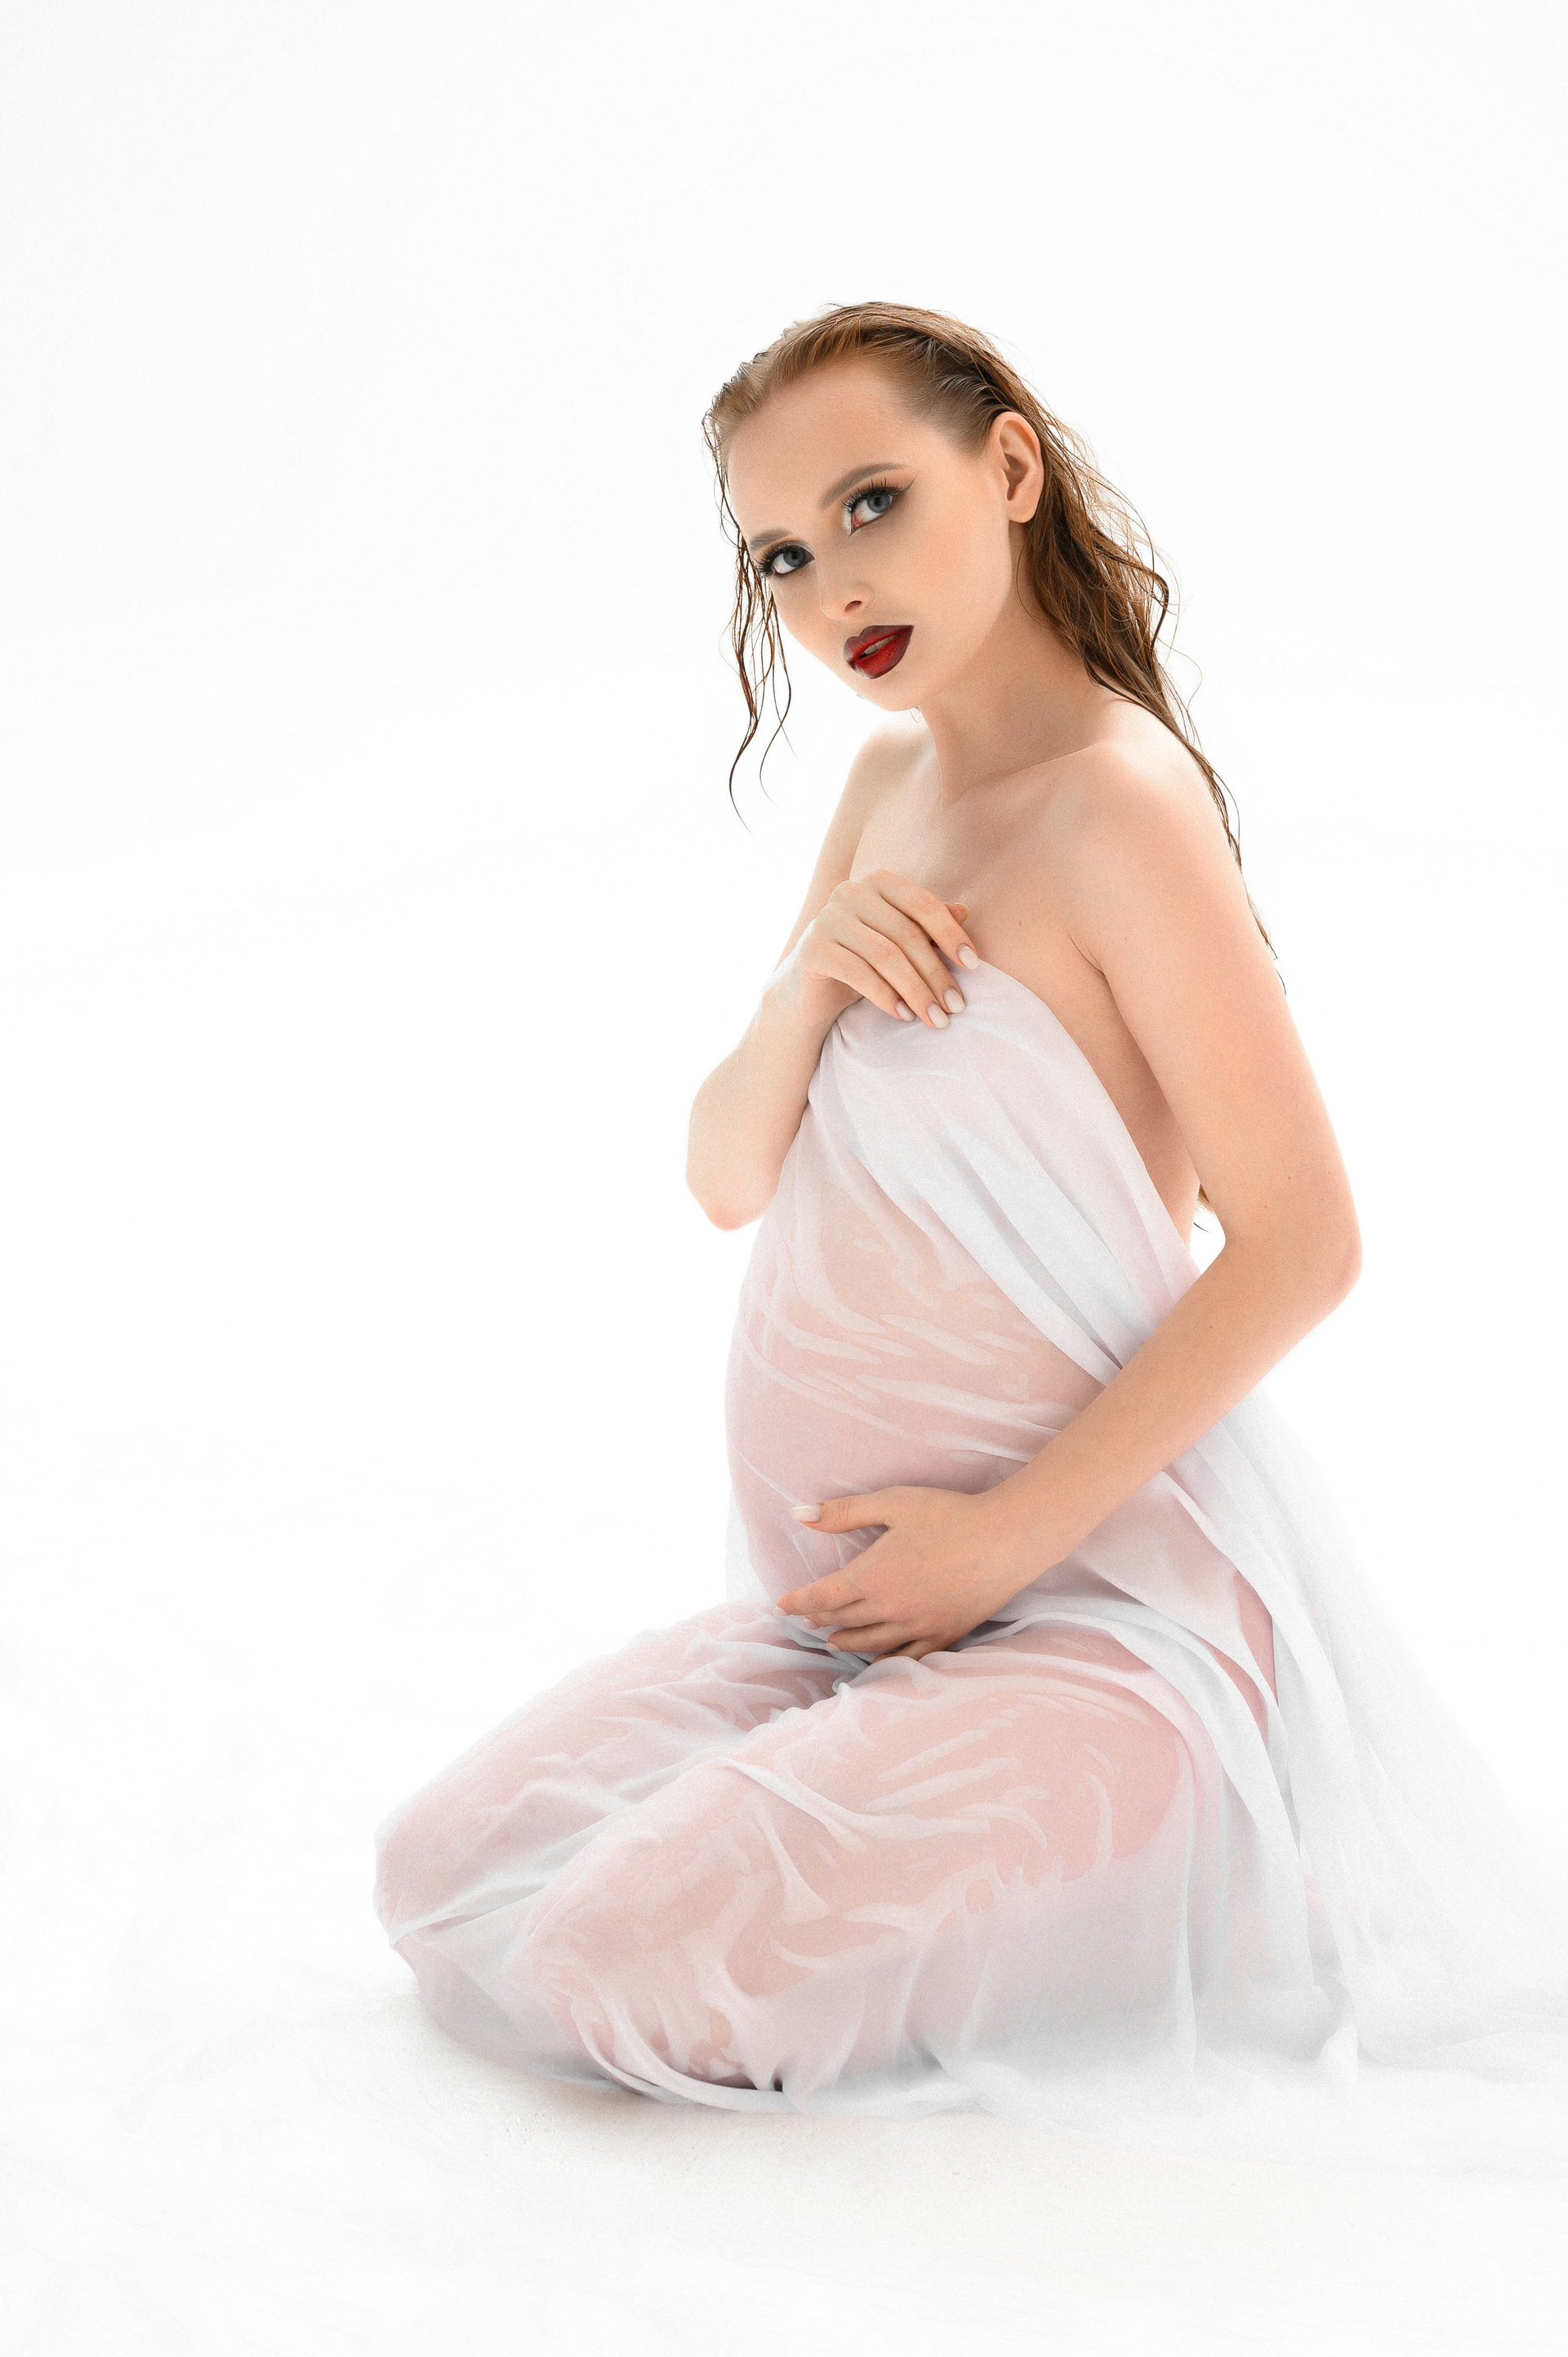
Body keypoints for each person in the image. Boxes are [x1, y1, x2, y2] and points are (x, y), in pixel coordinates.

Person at [373, 303, 1565, 2150]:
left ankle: (1164, 1881)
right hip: (858, 1620)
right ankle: (951, 1847)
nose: (831, 584)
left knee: (610, 1973)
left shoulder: (1121, 808)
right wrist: (801, 990)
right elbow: (725, 1174)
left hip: (1091, 1622)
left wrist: (1003, 1537)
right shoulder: (888, 788)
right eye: (781, 554)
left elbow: (1305, 1240)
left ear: (1008, 468)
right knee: (436, 1872)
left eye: (873, 502)